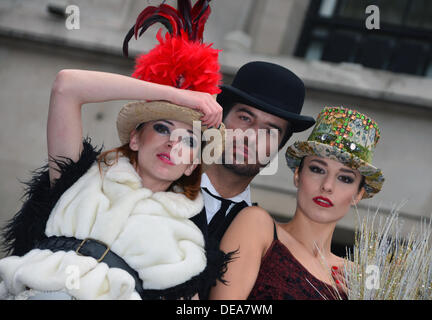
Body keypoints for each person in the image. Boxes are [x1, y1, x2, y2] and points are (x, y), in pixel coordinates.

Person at [0, 0, 229, 300]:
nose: (173, 143)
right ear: (135, 139)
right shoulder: (79, 176)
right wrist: (175, 96)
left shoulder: (190, 243)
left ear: (191, 165)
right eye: (162, 127)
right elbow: (66, 86)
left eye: (189, 140)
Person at [209, 106, 385, 300]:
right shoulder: (257, 225)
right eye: (317, 169)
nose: (327, 186)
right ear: (297, 175)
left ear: (358, 194)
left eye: (345, 179)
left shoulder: (365, 276)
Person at [193, 61, 316, 246]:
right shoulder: (161, 185)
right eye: (245, 118)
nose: (250, 137)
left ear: (279, 147)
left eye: (269, 131)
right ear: (220, 120)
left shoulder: (266, 240)